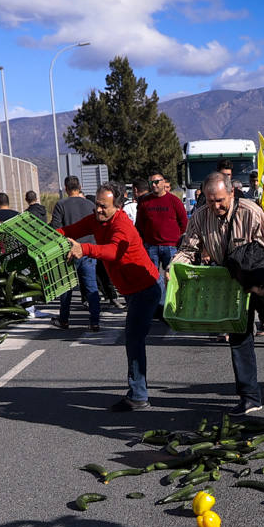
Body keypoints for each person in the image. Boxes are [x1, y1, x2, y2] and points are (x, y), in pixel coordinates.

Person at [175, 172, 264, 414]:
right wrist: (175, 266)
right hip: (229, 286)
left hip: (260, 280)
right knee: (239, 341)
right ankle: (250, 398)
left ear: (232, 193)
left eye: (221, 200)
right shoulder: (201, 216)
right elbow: (188, 248)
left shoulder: (251, 211)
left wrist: (248, 270)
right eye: (211, 201)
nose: (216, 206)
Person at [61, 183, 161, 411]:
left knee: (134, 339)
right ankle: (138, 393)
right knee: (154, 325)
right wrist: (46, 237)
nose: (98, 210)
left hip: (145, 288)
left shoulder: (122, 225)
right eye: (96, 205)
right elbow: (72, 230)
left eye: (103, 206)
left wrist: (84, 249)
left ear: (117, 205)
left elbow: (113, 251)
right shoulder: (96, 220)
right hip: (134, 290)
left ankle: (138, 396)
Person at [50, 175, 101, 331]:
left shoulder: (61, 205)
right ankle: (94, 321)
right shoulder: (90, 204)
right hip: (88, 250)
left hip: (69, 252)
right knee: (91, 287)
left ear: (66, 189)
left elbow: (56, 230)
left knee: (66, 288)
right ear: (80, 187)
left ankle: (64, 320)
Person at [135, 171, 188, 312]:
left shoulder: (174, 201)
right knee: (152, 277)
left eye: (157, 181)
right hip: (151, 246)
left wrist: (176, 237)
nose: (155, 185)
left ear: (164, 183)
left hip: (170, 246)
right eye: (152, 182)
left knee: (172, 277)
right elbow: (139, 224)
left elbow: (184, 222)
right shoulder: (145, 202)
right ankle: (158, 306)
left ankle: (174, 304)